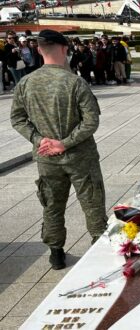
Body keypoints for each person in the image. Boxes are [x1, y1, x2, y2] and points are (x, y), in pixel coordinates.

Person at [10, 30, 107, 270]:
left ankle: (56, 253)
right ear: (64, 49)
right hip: (80, 157)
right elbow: (91, 121)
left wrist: (39, 139)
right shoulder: (75, 82)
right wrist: (65, 143)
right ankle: (98, 247)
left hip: (46, 158)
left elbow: (18, 119)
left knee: (52, 205)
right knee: (92, 202)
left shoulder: (25, 83)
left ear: (39, 50)